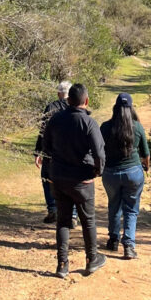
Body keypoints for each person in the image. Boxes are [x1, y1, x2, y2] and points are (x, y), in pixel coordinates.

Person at [42, 82, 107, 279]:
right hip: (82, 180)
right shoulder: (89, 123)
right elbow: (99, 154)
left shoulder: (54, 120)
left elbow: (46, 147)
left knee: (62, 221)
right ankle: (91, 259)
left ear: (68, 100)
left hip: (59, 178)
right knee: (88, 220)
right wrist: (97, 171)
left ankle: (62, 265)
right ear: (86, 101)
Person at [99, 93, 150, 259]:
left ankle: (113, 240)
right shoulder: (137, 127)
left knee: (114, 205)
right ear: (131, 109)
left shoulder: (105, 127)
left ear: (115, 108)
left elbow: (99, 151)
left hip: (110, 173)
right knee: (131, 209)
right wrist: (146, 167)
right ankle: (128, 245)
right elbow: (146, 154)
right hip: (133, 173)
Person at [34, 81, 71, 224]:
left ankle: (52, 209)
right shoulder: (75, 107)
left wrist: (38, 152)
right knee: (71, 181)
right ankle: (72, 215)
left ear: (58, 94)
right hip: (70, 152)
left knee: (46, 178)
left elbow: (42, 131)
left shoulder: (51, 107)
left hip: (51, 152)